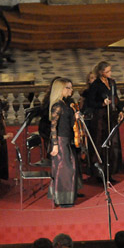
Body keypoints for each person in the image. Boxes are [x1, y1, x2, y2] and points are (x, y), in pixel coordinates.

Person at [86, 61, 124, 181]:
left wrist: (120, 110)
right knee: (101, 143)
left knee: (112, 144)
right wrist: (102, 103)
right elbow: (90, 102)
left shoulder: (112, 82)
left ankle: (110, 171)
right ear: (101, 72)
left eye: (110, 70)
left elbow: (116, 98)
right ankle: (99, 173)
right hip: (100, 119)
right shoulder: (96, 84)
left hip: (111, 116)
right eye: (107, 71)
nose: (110, 73)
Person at [48, 78, 82, 207]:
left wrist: (75, 117)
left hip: (67, 140)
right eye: (68, 87)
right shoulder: (57, 106)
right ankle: (62, 199)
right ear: (60, 89)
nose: (71, 90)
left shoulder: (66, 103)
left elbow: (67, 122)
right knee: (64, 170)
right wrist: (55, 145)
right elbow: (53, 127)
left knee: (71, 168)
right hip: (61, 141)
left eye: (71, 87)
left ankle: (68, 197)